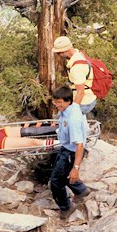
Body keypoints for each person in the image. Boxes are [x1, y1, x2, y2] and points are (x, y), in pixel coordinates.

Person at [50, 86, 90, 220]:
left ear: (68, 101)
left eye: (59, 102)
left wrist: (76, 168)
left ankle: (66, 208)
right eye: (55, 102)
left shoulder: (73, 119)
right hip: (66, 149)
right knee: (63, 174)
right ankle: (81, 190)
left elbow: (79, 145)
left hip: (71, 153)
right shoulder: (71, 107)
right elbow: (80, 93)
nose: (57, 105)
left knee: (55, 182)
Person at [52, 36, 97, 115]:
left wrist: (74, 110)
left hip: (84, 102)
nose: (59, 55)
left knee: (63, 117)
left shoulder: (77, 68)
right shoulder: (78, 55)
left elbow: (80, 92)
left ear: (65, 51)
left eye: (59, 53)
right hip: (86, 98)